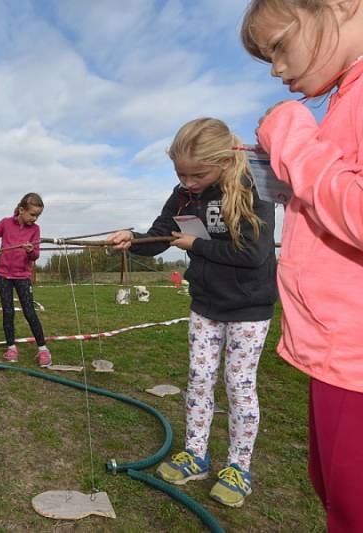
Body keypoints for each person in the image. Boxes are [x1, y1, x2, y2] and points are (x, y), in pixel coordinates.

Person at [107, 118, 278, 508]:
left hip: (249, 307)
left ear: (222, 162)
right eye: (180, 173)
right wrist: (131, 239)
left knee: (238, 385)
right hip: (205, 302)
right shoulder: (183, 194)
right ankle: (196, 455)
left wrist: (194, 246)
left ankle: (238, 467)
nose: (187, 181)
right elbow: (160, 236)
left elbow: (254, 254)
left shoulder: (252, 187)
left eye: (196, 174)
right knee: (199, 379)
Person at [241, 1, 363, 529]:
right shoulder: (344, 100)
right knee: (335, 496)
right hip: (334, 353)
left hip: (356, 360)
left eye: (278, 47)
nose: (275, 69)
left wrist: (289, 132)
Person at [0, 192, 51, 367]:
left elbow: (35, 256)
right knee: (8, 312)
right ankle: (11, 348)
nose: (35, 219)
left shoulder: (35, 230)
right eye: (32, 214)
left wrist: (30, 250)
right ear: (21, 210)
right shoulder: (5, 223)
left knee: (29, 312)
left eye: (38, 215)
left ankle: (43, 350)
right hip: (3, 276)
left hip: (23, 277)